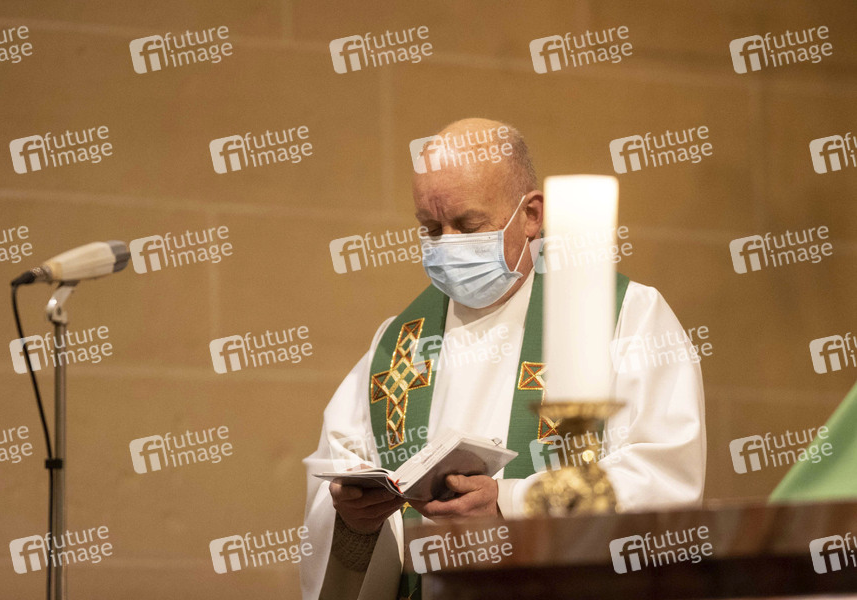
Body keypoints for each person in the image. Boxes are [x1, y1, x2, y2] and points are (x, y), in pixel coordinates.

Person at [301, 118, 706, 600]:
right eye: (431, 228)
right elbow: (336, 479)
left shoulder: (624, 316)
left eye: (468, 225)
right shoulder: (398, 344)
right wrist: (355, 522)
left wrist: (509, 506)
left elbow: (665, 479)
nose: (448, 244)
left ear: (531, 215)